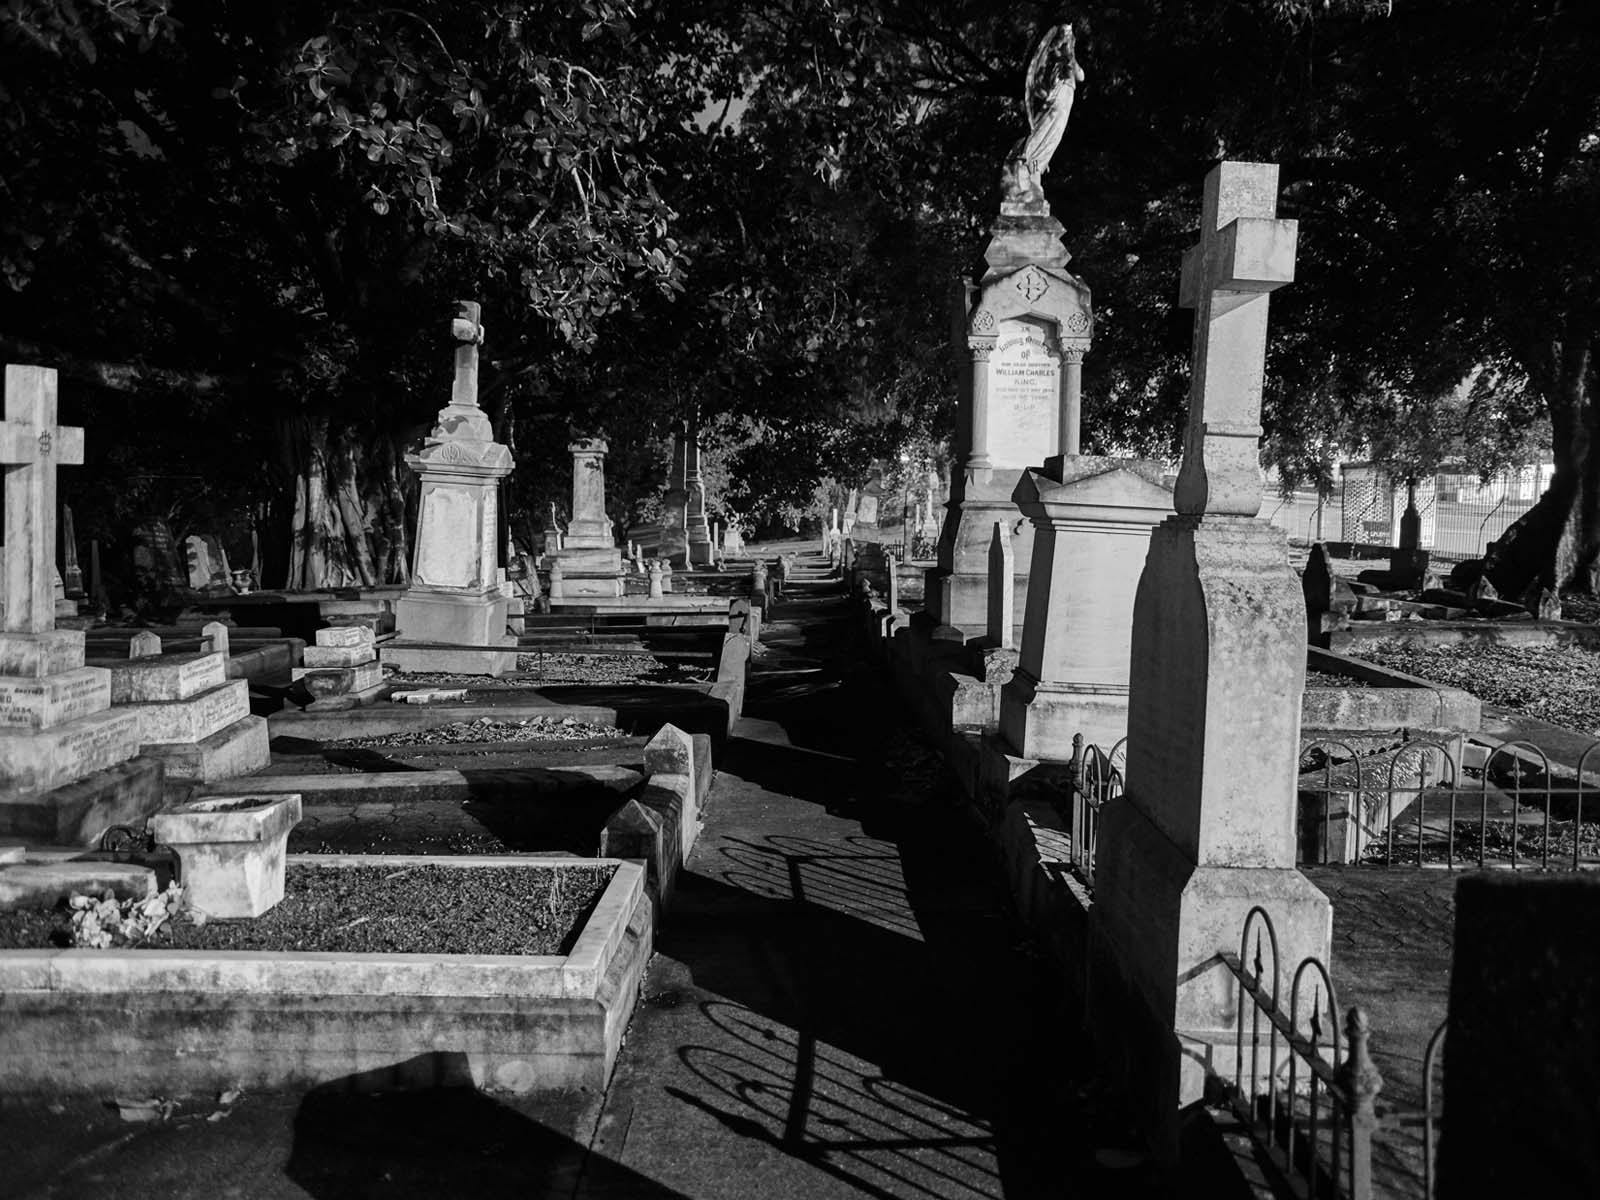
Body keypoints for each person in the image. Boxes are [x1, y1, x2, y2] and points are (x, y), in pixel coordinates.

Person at [1003, 23, 1085, 207]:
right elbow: (1042, 89)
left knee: (1051, 141)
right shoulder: (1056, 63)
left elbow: (1080, 76)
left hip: (1064, 103)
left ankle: (1034, 174)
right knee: (1041, 136)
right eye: (1065, 38)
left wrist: (1070, 55)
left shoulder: (1068, 61)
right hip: (1055, 102)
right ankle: (1026, 168)